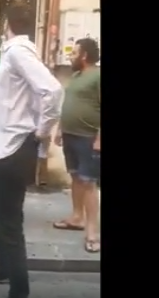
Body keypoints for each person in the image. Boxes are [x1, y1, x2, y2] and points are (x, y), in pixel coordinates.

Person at [0, 6, 64, 298]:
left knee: (9, 222)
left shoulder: (17, 52)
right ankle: (2, 268)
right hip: (7, 147)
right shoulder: (17, 51)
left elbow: (53, 91)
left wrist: (42, 131)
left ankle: (19, 289)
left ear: (6, 24)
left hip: (14, 148)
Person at [52, 38, 101, 253]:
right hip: (71, 135)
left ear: (84, 55)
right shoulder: (76, 76)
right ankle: (77, 217)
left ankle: (92, 232)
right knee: (75, 177)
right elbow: (68, 104)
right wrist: (59, 129)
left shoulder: (97, 76)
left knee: (89, 183)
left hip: (88, 138)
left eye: (74, 53)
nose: (70, 56)